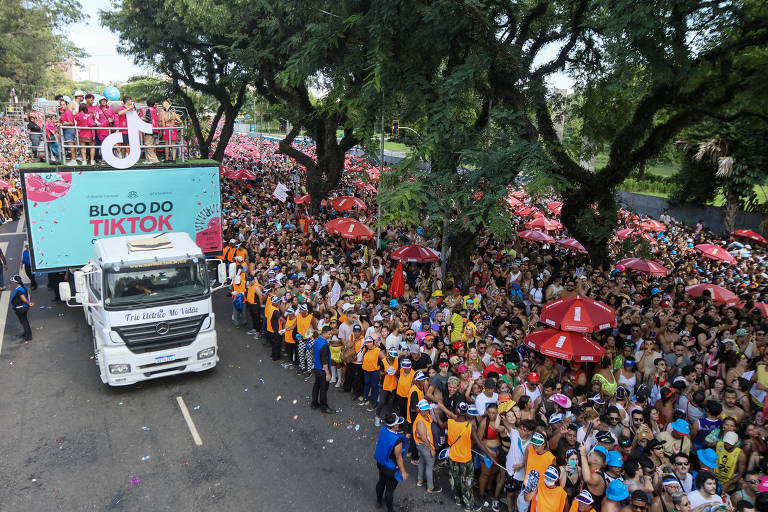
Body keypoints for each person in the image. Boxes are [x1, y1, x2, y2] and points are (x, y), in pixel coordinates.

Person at [373, 412, 408, 512]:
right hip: (391, 468)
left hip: (381, 463)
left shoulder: (383, 429)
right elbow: (398, 457)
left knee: (381, 482)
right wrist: (403, 472)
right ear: (393, 426)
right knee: (390, 490)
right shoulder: (397, 441)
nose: (398, 425)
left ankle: (379, 502)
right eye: (397, 424)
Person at [413, 399, 442, 494]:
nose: (426, 411)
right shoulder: (420, 422)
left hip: (421, 446)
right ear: (419, 410)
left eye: (427, 409)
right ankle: (430, 487)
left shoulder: (425, 416)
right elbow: (424, 438)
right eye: (424, 410)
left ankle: (420, 480)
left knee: (422, 461)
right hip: (425, 446)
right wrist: (431, 449)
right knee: (430, 465)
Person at [310, 325, 335, 414]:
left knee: (316, 385)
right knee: (323, 389)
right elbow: (324, 362)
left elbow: (313, 352)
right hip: (322, 370)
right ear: (324, 334)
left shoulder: (317, 340)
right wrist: (328, 374)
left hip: (316, 368)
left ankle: (314, 403)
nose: (331, 335)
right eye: (329, 334)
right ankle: (324, 407)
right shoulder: (324, 345)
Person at [10, 274, 33, 342]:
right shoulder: (23, 287)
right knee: (25, 321)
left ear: (15, 282)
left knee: (24, 322)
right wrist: (28, 302)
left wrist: (28, 303)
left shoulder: (19, 290)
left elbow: (23, 299)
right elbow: (28, 294)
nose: (12, 282)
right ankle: (26, 333)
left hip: (20, 308)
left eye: (13, 281)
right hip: (24, 307)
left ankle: (28, 336)